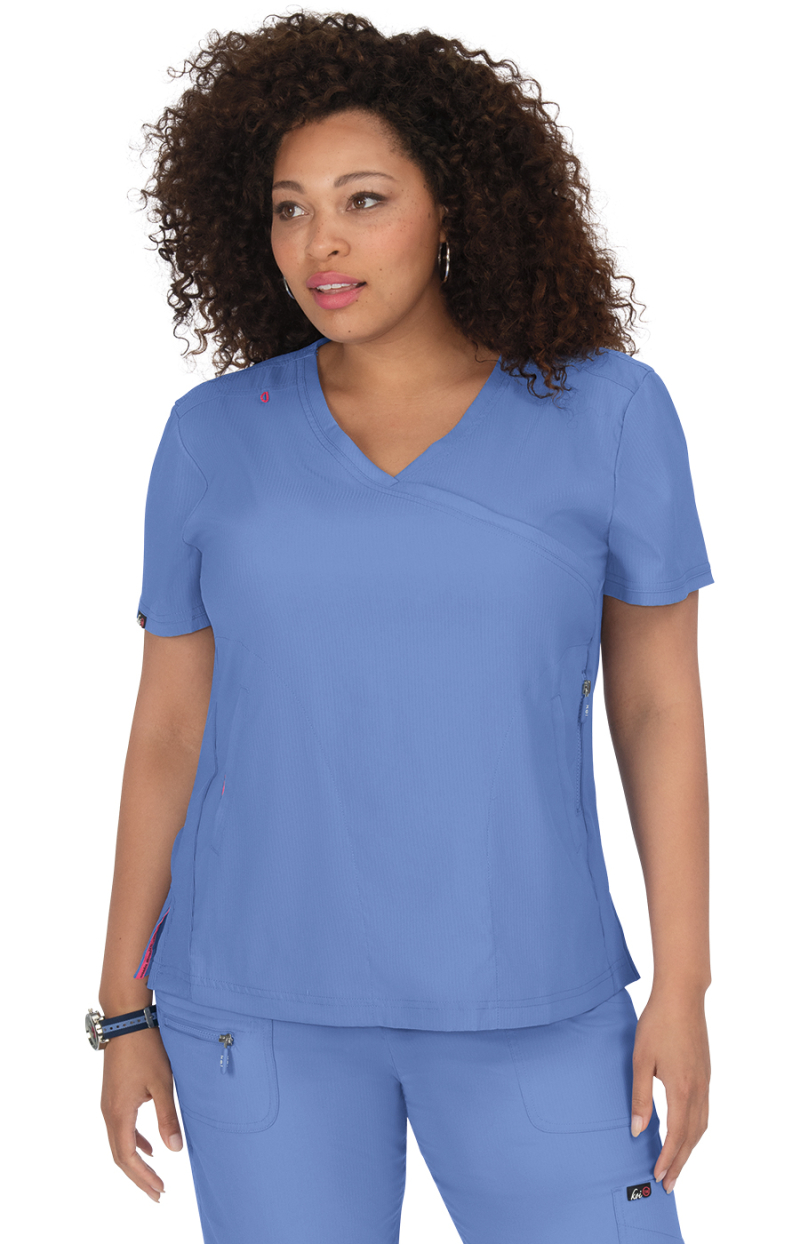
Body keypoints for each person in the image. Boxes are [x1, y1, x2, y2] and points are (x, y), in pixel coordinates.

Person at [91, 11, 714, 1242]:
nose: (318, 242)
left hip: (536, 1000)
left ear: (453, 208)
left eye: (363, 200)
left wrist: (682, 982)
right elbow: (169, 726)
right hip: (252, 1013)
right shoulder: (211, 436)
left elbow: (656, 707)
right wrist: (122, 1006)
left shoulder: (608, 413)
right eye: (289, 208)